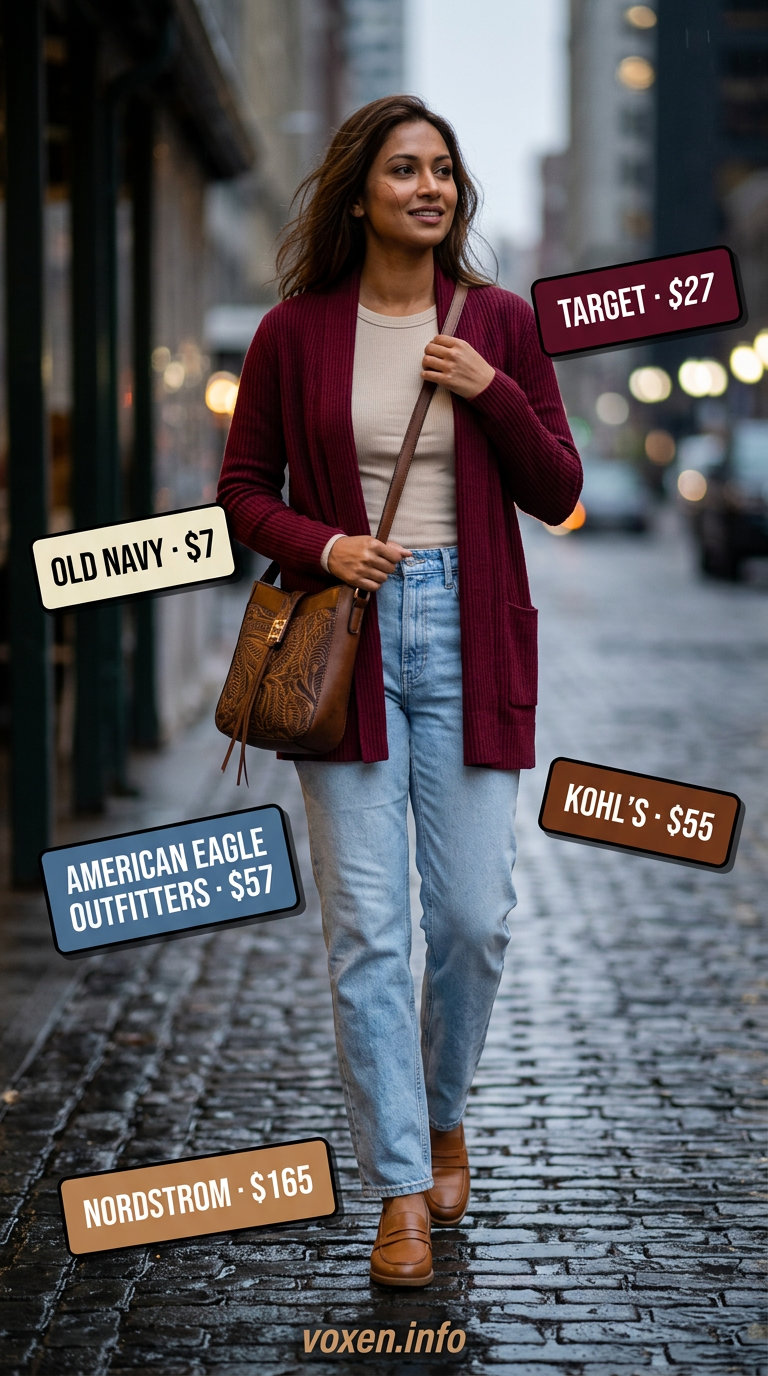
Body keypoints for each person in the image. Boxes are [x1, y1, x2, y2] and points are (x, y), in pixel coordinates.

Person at [217, 94, 582, 1288]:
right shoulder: (294, 332)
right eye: (404, 169)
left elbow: (556, 487)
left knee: (473, 918)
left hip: (472, 635)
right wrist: (326, 545)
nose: (429, 187)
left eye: (443, 170)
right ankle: (399, 1189)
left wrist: (489, 386)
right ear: (360, 193)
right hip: (349, 645)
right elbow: (243, 488)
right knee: (370, 932)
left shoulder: (502, 322)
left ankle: (441, 1111)